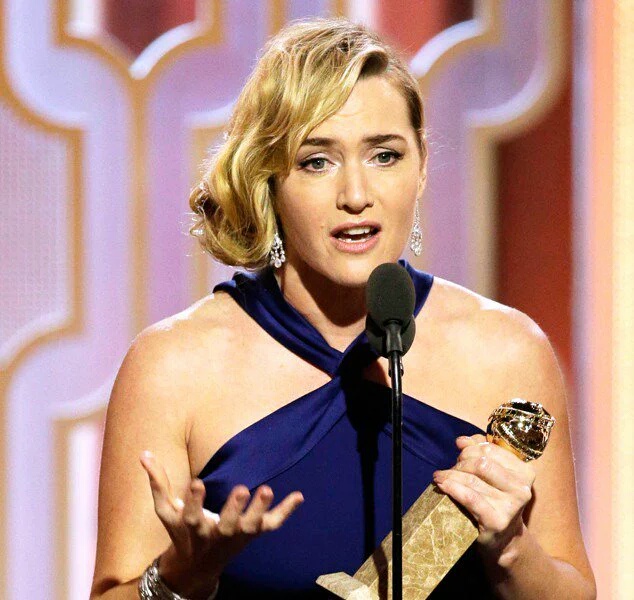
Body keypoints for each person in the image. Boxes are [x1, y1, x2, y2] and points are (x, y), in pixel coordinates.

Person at [90, 17, 596, 600]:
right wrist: (184, 576)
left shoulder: (508, 351)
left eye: (384, 155)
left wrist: (512, 549)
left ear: (421, 166)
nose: (356, 195)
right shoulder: (172, 366)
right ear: (266, 179)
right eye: (316, 162)